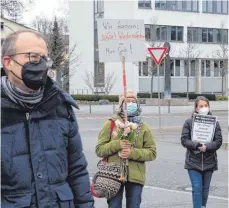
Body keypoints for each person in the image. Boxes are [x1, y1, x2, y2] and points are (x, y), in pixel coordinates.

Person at [1, 30, 94, 208]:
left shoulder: (60, 105)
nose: (41, 64)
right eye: (33, 57)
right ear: (8, 62)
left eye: (44, 58)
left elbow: (77, 170)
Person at [94, 90, 157, 208]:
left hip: (135, 176)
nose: (131, 104)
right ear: (121, 104)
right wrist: (118, 144)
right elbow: (99, 149)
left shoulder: (143, 127)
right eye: (127, 101)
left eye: (134, 101)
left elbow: (152, 152)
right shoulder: (111, 124)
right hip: (113, 175)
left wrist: (132, 153)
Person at [181, 96, 223, 208]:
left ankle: (203, 206)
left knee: (205, 188)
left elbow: (218, 141)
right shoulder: (189, 123)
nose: (204, 108)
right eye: (201, 106)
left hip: (209, 161)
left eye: (206, 106)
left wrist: (207, 147)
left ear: (209, 107)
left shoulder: (215, 123)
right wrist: (197, 145)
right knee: (196, 187)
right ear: (196, 108)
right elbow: (184, 140)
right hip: (193, 161)